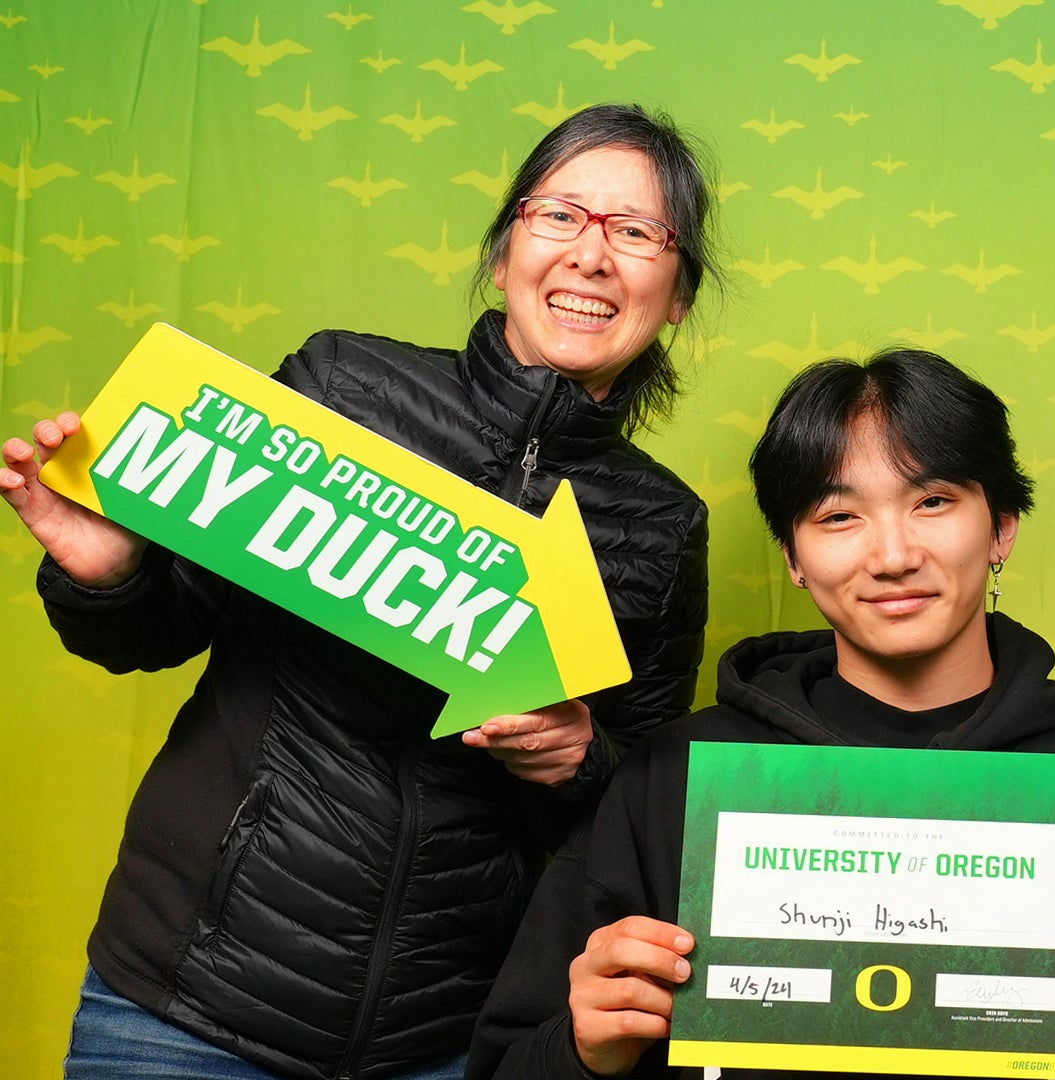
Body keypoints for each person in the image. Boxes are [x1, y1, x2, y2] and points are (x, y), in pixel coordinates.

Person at [1, 103, 716, 1079]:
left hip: (441, 1039)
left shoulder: (664, 527)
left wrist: (581, 759)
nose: (590, 256)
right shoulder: (340, 386)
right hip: (180, 1012)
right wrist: (112, 573)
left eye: (636, 232)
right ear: (503, 253)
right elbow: (157, 630)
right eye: (559, 215)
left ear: (678, 295)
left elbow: (636, 815)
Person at [467, 349, 1055, 1080]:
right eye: (838, 516)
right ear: (793, 557)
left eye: (933, 501)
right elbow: (508, 1061)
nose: (893, 556)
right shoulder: (672, 781)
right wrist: (582, 1053)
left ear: (1001, 527)